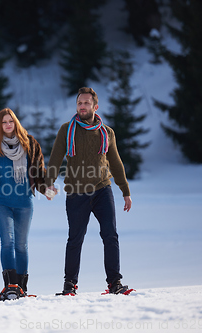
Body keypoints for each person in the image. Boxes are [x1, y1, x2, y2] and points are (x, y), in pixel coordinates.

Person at [44, 87, 133, 296]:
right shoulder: (67, 129)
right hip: (76, 192)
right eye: (79, 103)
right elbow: (56, 158)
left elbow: (116, 163)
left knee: (110, 235)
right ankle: (69, 284)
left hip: (103, 189)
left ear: (95, 106)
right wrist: (49, 183)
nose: (82, 106)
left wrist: (125, 191)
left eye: (86, 103)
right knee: (75, 238)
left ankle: (114, 283)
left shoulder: (107, 133)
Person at [0, 108, 51, 301]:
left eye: (11, 121)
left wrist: (45, 189)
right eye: (4, 122)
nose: (8, 125)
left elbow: (39, 170)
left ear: (16, 123)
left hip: (24, 202)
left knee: (22, 245)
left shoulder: (30, 143)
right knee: (7, 242)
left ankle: (22, 289)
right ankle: (10, 287)